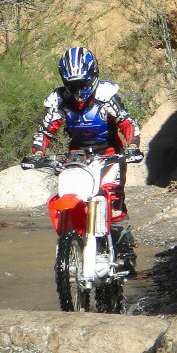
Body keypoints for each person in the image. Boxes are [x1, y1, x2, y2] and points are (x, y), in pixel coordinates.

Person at [22, 46, 143, 275]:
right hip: (77, 155)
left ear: (93, 75)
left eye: (83, 84)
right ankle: (73, 246)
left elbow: (128, 123)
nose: (79, 91)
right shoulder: (60, 101)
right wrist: (37, 153)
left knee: (112, 196)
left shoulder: (106, 97)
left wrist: (133, 147)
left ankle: (126, 254)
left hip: (109, 154)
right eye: (73, 85)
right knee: (72, 197)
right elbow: (45, 130)